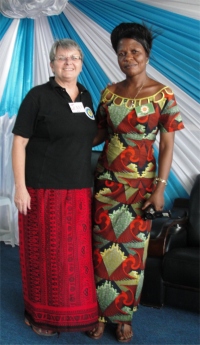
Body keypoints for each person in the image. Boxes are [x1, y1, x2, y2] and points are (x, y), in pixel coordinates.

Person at [89, 22, 184, 342]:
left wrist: (160, 187)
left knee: (131, 255)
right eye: (122, 53)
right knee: (101, 252)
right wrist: (68, 135)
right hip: (106, 184)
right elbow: (99, 134)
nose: (128, 57)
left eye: (135, 52)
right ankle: (100, 313)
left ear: (146, 55)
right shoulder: (109, 92)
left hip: (141, 188)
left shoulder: (163, 95)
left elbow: (168, 145)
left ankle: (124, 318)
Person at [12, 39, 98, 336]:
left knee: (74, 257)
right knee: (46, 256)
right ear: (52, 64)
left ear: (81, 63)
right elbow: (19, 143)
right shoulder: (37, 96)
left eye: (74, 58)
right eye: (62, 58)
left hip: (78, 189)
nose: (68, 63)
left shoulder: (86, 96)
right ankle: (39, 316)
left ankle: (78, 315)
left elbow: (86, 136)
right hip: (42, 189)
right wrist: (20, 187)